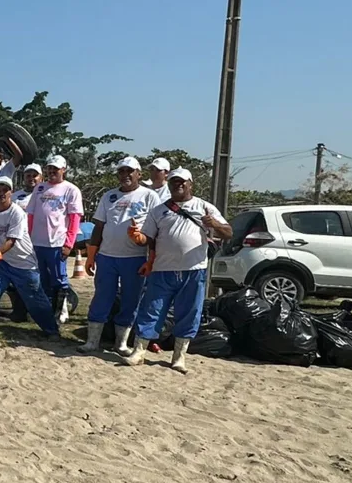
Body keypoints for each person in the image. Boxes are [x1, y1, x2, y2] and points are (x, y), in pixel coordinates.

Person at [124, 168, 232, 373]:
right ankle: (138, 352)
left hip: (194, 269)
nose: (178, 185)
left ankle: (179, 356)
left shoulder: (204, 207)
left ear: (190, 184)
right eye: (174, 182)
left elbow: (228, 232)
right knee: (151, 310)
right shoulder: (158, 210)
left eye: (182, 182)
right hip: (162, 269)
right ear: (169, 184)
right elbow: (149, 238)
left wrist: (214, 223)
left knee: (189, 312)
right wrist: (137, 237)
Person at [78, 157, 161, 354]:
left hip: (135, 257)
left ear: (138, 174)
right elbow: (99, 226)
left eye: (129, 171)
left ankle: (121, 343)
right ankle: (92, 341)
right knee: (102, 297)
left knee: (130, 300)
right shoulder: (109, 196)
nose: (125, 175)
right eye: (121, 171)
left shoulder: (149, 196)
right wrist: (91, 255)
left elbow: (158, 229)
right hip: (107, 257)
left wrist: (151, 258)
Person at [0, 177, 59, 336]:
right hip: (2, 264)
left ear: (11, 192)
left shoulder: (17, 213)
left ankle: (51, 330)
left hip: (24, 264)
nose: (1, 194)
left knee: (36, 299)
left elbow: (11, 241)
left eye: (4, 190)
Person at [28, 155, 83, 324]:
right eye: (49, 168)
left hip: (57, 242)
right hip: (38, 242)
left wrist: (69, 243)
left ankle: (60, 312)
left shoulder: (71, 189)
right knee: (43, 278)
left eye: (56, 169)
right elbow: (31, 214)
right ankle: (46, 312)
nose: (52, 171)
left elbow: (74, 218)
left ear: (63, 170)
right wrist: (29, 238)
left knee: (59, 278)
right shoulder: (40, 188)